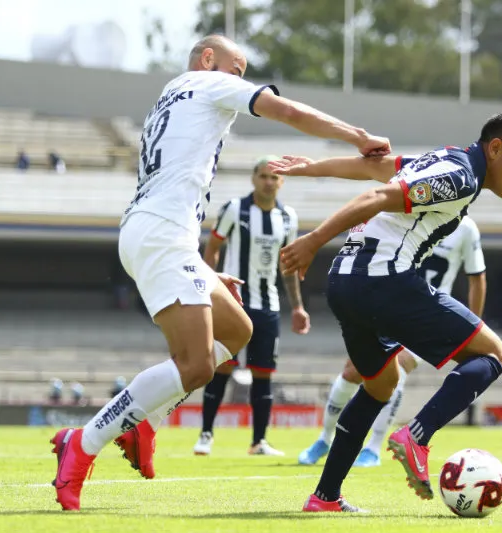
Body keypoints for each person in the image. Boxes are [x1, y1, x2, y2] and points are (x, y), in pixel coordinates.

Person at [48, 34, 390, 511]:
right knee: (197, 366)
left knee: (237, 329)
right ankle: (81, 443)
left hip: (160, 232)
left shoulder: (173, 92)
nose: (242, 79)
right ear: (208, 59)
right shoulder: (209, 84)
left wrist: (204, 272)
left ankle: (145, 422)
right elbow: (287, 111)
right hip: (162, 235)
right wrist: (359, 137)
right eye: (237, 68)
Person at [272, 108, 502, 512]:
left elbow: (376, 167)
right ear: (495, 148)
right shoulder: (459, 177)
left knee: (380, 384)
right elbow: (378, 194)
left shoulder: (445, 158)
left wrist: (313, 169)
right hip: (383, 279)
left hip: (344, 281)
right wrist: (313, 239)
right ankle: (416, 436)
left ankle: (325, 496)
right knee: (493, 354)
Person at [299, 215, 486, 467]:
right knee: (352, 371)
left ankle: (374, 448)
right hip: (389, 305)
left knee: (397, 365)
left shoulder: (465, 228)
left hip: (428, 315)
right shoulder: (408, 216)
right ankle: (323, 439)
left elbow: (477, 278)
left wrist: (472, 327)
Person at [194, 155, 308, 457]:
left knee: (264, 373)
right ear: (253, 179)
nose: (268, 182)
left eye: (274, 177)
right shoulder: (235, 209)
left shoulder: (288, 218)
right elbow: (213, 247)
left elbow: (289, 265)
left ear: (281, 182)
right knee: (221, 368)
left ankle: (259, 441)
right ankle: (205, 435)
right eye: (263, 176)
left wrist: (297, 307)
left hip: (268, 306)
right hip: (233, 303)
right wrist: (209, 287)